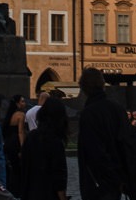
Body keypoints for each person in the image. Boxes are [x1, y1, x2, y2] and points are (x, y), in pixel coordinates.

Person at [77, 68, 127, 200]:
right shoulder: (118, 109)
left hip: (97, 183)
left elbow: (94, 153)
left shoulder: (88, 114)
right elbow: (125, 144)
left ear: (83, 88)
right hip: (117, 179)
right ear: (102, 84)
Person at [20, 94, 69, 200]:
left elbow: (24, 168)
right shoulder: (55, 142)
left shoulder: (31, 137)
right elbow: (59, 175)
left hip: (31, 193)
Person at [5, 94, 28, 187]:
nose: (24, 103)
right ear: (17, 104)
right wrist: (22, 148)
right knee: (19, 168)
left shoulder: (9, 115)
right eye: (22, 101)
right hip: (16, 143)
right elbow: (21, 132)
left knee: (13, 167)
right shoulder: (21, 115)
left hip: (9, 142)